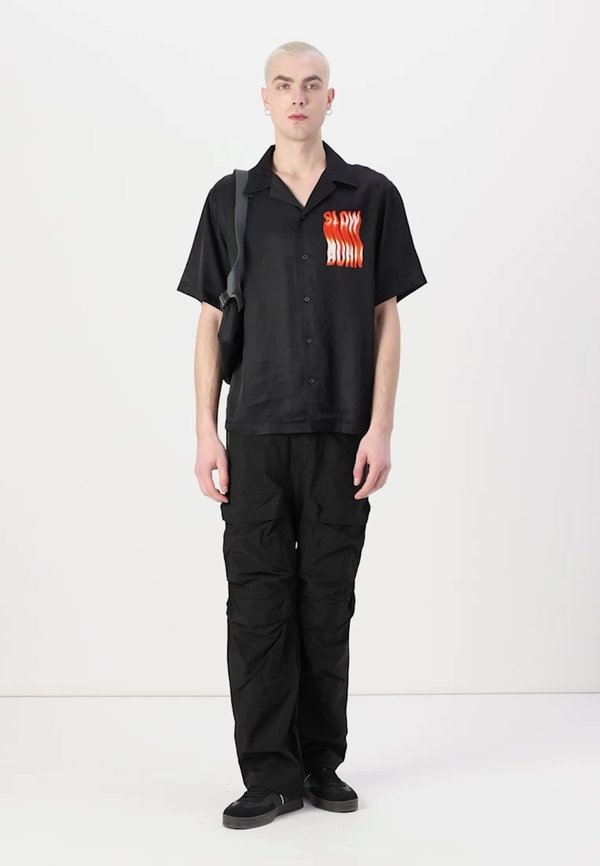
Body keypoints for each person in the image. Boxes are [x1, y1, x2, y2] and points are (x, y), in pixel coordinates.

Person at [176, 40, 427, 830]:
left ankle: (320, 765)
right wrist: (205, 432)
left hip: (341, 437)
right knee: (257, 606)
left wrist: (381, 427)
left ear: (329, 98)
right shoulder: (232, 200)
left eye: (311, 85)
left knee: (326, 603)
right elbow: (208, 323)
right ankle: (268, 775)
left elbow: (386, 318)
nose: (297, 97)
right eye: (283, 85)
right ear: (265, 98)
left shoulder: (370, 196)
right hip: (254, 434)